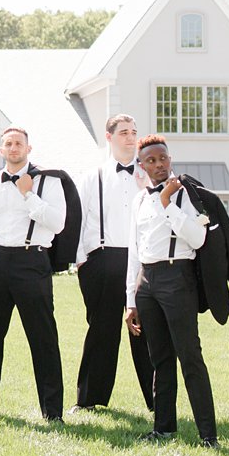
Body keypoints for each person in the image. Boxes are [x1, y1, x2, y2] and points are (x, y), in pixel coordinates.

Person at [0, 127, 69, 424]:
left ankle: (52, 412)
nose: (13, 147)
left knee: (43, 338)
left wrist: (28, 194)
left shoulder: (49, 181)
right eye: (8, 143)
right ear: (1, 150)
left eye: (18, 143)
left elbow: (58, 223)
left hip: (32, 261)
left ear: (28, 148)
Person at [124, 135, 218, 447]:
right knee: (159, 358)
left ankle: (208, 434)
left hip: (177, 277)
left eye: (162, 158)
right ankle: (163, 428)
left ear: (170, 159)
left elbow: (198, 239)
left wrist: (167, 205)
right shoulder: (138, 200)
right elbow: (134, 252)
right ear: (142, 166)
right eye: (151, 160)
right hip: (147, 282)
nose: (158, 164)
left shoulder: (185, 195)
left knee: (190, 356)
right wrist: (130, 300)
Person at [72, 114, 154, 412]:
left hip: (142, 261)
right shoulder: (91, 176)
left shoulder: (149, 175)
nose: (130, 138)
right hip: (102, 261)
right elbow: (78, 221)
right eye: (123, 133)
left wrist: (148, 186)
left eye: (134, 132)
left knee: (146, 330)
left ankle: (157, 401)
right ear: (109, 137)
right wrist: (82, 261)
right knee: (101, 330)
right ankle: (90, 399)